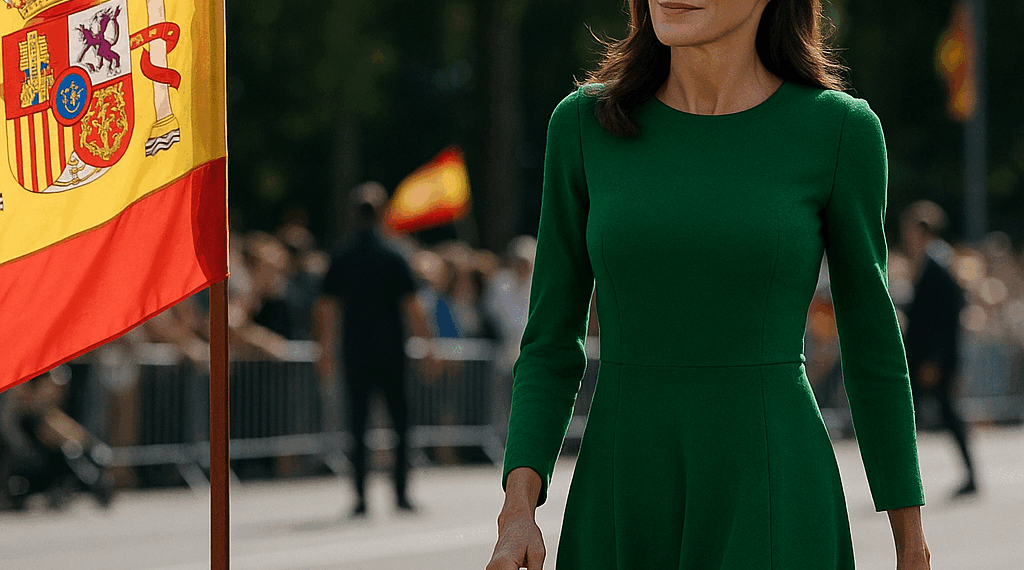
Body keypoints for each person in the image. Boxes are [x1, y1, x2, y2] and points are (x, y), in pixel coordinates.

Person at [487, 1, 931, 569]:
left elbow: (874, 349)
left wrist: (910, 544)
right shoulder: (581, 126)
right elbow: (549, 340)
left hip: (774, 489)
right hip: (621, 493)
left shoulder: (839, 131)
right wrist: (518, 509)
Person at [315, 181, 440, 518]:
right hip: (390, 351)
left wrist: (325, 352)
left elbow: (327, 308)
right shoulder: (394, 254)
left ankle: (360, 497)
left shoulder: (340, 255)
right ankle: (400, 494)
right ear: (384, 212)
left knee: (357, 425)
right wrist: (428, 346)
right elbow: (413, 307)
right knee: (400, 423)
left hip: (355, 350)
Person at [900, 199, 977, 499]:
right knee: (939, 413)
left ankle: (907, 482)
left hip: (933, 357)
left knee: (931, 413)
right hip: (930, 355)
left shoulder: (936, 263)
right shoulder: (933, 261)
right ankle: (967, 475)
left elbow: (942, 318)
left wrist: (933, 359)